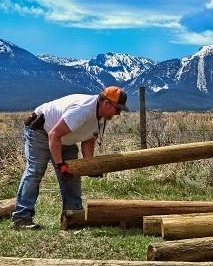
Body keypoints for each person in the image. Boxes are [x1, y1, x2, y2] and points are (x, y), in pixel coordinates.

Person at [10, 86, 128, 229]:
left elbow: (88, 140)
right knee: (35, 171)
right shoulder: (82, 109)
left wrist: (89, 166)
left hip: (64, 138)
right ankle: (21, 218)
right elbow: (54, 135)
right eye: (117, 109)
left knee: (71, 173)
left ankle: (73, 215)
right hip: (41, 131)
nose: (118, 113)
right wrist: (61, 165)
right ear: (106, 103)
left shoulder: (103, 116)